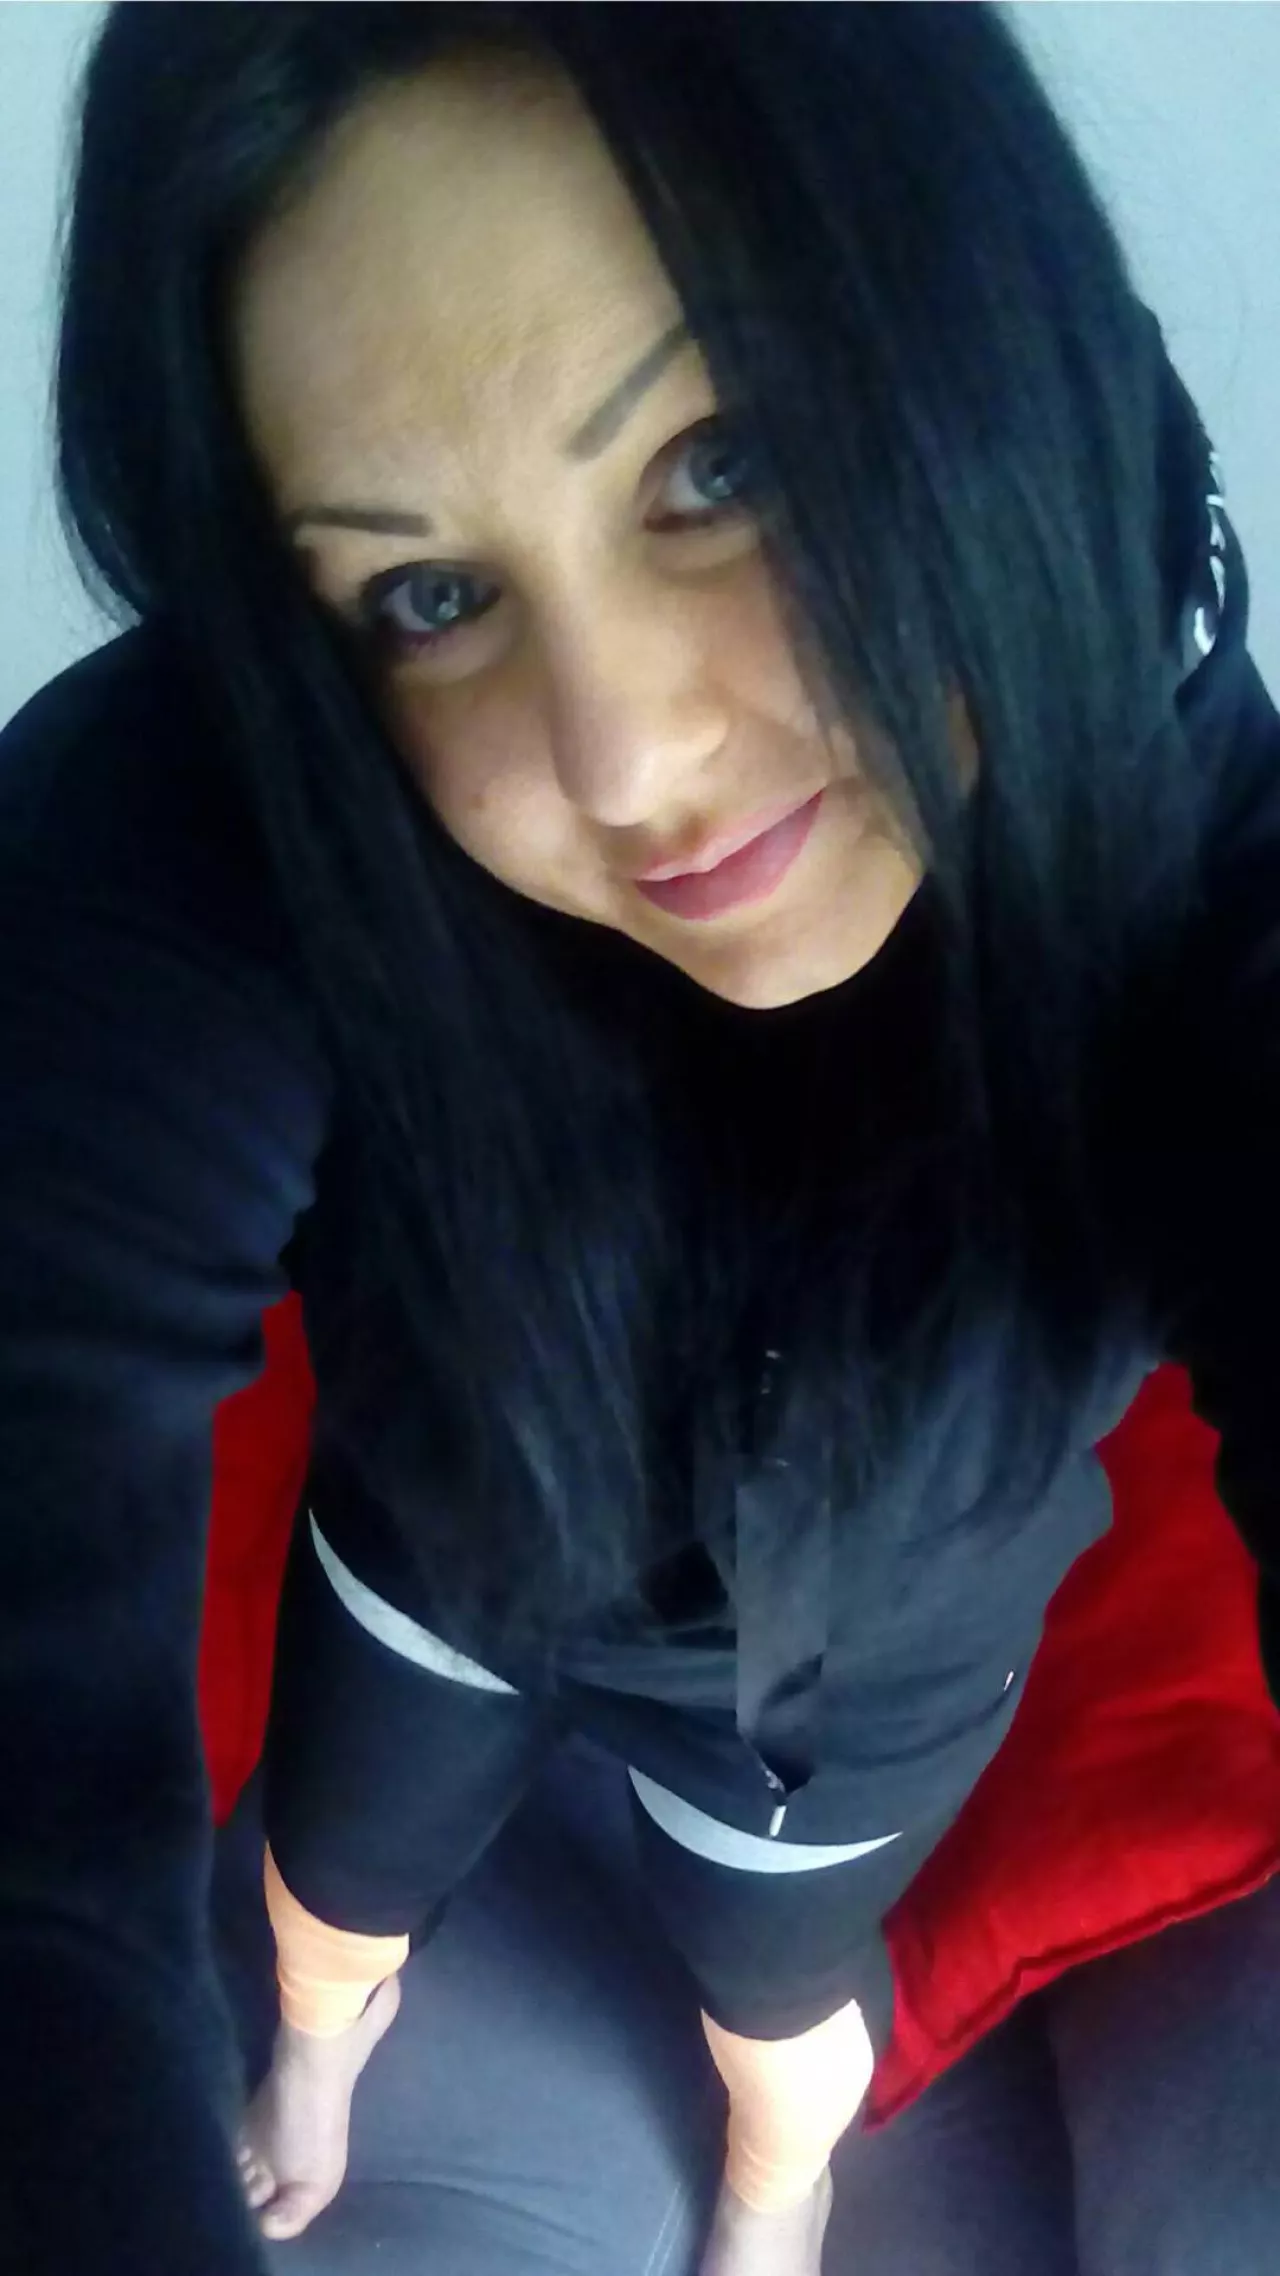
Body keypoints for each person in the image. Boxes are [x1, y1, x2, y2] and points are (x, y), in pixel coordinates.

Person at [1, 4, 1277, 2272]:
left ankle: (779, 2182)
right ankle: (318, 2054)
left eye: (725, 460)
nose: (624, 760)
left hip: (846, 1705)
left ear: (983, 337)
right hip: (444, 1559)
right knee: (325, 1896)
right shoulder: (243, 800)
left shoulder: (1198, 839)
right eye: (431, 595)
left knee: (781, 2023)